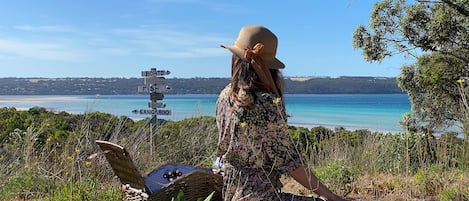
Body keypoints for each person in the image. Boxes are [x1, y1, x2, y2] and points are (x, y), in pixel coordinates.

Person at [215, 25, 345, 201]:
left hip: (229, 191)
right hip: (260, 196)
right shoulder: (264, 103)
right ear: (270, 67)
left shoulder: (225, 95)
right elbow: (290, 162)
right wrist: (330, 196)